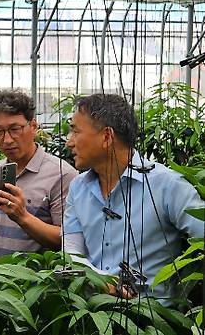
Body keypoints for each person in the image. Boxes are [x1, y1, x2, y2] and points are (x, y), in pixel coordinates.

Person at [62, 93, 205, 303]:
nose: (69, 142)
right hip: (92, 313)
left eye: (75, 131)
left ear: (107, 137)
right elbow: (71, 251)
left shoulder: (167, 186)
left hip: (154, 318)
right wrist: (100, 279)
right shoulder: (78, 187)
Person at [0, 90, 77, 261]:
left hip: (39, 283)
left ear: (33, 127)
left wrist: (23, 217)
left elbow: (69, 239)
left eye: (15, 129)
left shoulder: (62, 174)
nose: (7, 139)